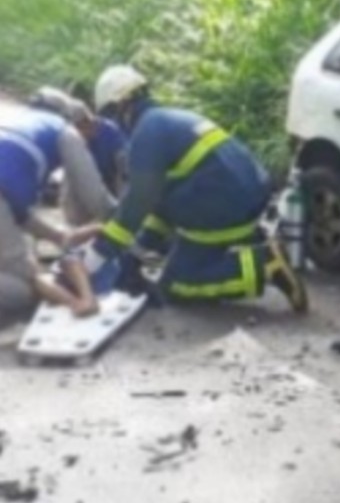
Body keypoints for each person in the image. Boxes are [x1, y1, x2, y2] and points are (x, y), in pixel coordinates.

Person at [81, 65, 308, 313]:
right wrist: (140, 248)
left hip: (226, 207)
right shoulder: (168, 120)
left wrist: (99, 254)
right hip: (241, 198)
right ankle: (252, 244)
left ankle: (264, 265)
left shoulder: (147, 134)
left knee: (176, 285)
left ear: (122, 106)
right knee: (176, 253)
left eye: (111, 115)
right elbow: (161, 202)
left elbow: (138, 201)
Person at [0, 107, 109, 317]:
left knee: (20, 260)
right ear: (83, 123)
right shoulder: (67, 132)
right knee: (23, 290)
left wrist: (60, 237)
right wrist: (77, 302)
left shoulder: (26, 124)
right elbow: (95, 197)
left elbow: (20, 216)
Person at [29, 86, 126, 225]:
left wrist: (122, 207)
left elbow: (124, 171)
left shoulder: (112, 134)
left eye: (77, 129)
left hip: (110, 182)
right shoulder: (68, 139)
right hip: (77, 185)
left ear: (87, 122)